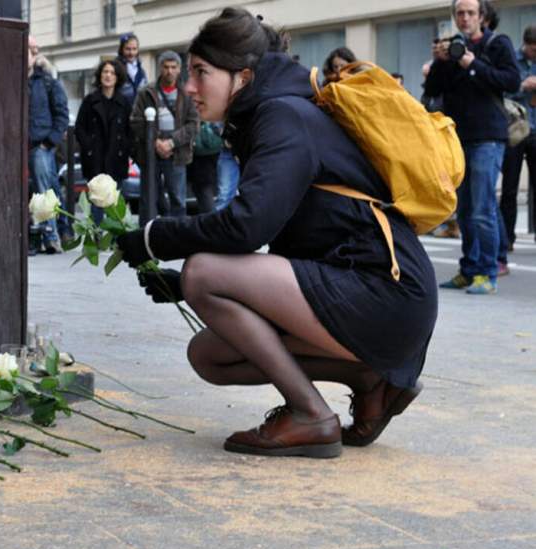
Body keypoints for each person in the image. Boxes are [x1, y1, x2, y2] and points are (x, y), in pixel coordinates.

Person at [115, 8, 438, 458]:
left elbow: (248, 227)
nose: (190, 87)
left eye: (201, 72)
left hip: (385, 293)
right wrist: (182, 289)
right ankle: (368, 379)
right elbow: (282, 246)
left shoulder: (284, 117)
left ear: (243, 76)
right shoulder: (272, 115)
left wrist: (156, 238)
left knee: (204, 272)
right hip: (367, 293)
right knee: (208, 355)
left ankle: (310, 414)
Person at [425, 0, 520, 294]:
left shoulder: (497, 44)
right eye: (460, 13)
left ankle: (488, 273)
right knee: (464, 209)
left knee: (482, 208)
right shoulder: (451, 48)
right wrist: (441, 62)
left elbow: (512, 81)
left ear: (482, 16)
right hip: (458, 138)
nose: (464, 18)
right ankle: (468, 269)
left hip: (488, 137)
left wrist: (472, 64)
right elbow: (433, 91)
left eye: (470, 13)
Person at [130, 50, 199, 223]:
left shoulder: (187, 93)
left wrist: (172, 142)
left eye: (173, 67)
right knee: (148, 198)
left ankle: (178, 237)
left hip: (177, 152)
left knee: (177, 198)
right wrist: (155, 142)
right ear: (160, 68)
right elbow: (136, 121)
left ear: (179, 69)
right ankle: (146, 236)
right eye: (166, 67)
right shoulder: (146, 92)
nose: (169, 71)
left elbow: (193, 124)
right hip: (150, 151)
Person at [74, 59, 134, 223]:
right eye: (105, 72)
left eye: (112, 73)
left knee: (115, 200)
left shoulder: (124, 102)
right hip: (95, 158)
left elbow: (131, 130)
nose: (108, 75)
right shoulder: (90, 100)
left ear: (118, 77)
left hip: (116, 158)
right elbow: (79, 127)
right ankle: (97, 235)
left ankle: (114, 238)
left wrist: (126, 149)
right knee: (96, 200)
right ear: (100, 75)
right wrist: (88, 147)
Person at [27, 36, 70, 254]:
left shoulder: (47, 82)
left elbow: (62, 115)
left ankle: (51, 237)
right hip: (19, 147)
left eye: (30, 50)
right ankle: (36, 237)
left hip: (39, 146)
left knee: (45, 193)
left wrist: (47, 143)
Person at [500, 25, 536, 253]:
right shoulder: (511, 58)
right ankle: (508, 238)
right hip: (514, 130)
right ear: (525, 45)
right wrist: (523, 85)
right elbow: (501, 90)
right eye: (534, 49)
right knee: (510, 187)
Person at [117, 32, 148, 109]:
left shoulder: (141, 71)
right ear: (121, 49)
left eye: (134, 49)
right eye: (128, 49)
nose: (131, 53)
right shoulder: (115, 68)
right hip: (121, 113)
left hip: (138, 114)